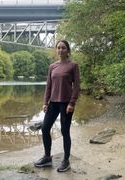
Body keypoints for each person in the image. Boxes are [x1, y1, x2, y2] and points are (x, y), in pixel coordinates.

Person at [34, 40, 80, 172]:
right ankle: (47, 157)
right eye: (58, 48)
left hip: (66, 104)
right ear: (56, 50)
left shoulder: (73, 65)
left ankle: (66, 160)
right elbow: (49, 85)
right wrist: (45, 102)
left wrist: (72, 103)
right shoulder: (52, 66)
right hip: (53, 103)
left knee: (65, 132)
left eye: (63, 48)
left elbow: (76, 87)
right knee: (44, 128)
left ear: (68, 51)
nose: (60, 50)